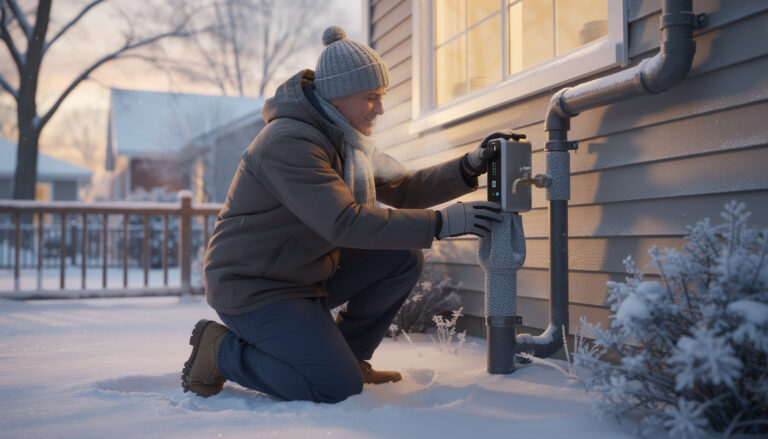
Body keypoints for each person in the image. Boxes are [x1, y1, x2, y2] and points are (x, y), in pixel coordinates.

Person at [181, 25, 518, 403]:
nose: (380, 108)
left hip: (304, 275)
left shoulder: (349, 142)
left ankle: (347, 356)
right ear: (339, 96)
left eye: (382, 96)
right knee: (333, 387)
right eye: (371, 97)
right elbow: (343, 221)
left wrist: (468, 167)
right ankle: (222, 352)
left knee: (401, 256)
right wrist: (442, 223)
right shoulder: (289, 143)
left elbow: (404, 187)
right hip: (256, 286)